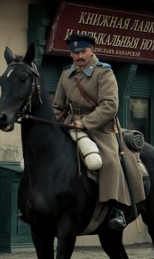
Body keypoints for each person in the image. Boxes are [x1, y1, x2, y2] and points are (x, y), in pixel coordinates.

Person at [52, 33, 145, 231]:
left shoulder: (104, 72)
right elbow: (58, 107)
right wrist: (59, 123)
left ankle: (116, 208)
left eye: (83, 51)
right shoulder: (65, 75)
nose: (79, 56)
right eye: (74, 53)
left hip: (101, 127)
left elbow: (110, 105)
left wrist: (85, 123)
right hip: (70, 124)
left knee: (111, 161)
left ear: (92, 50)